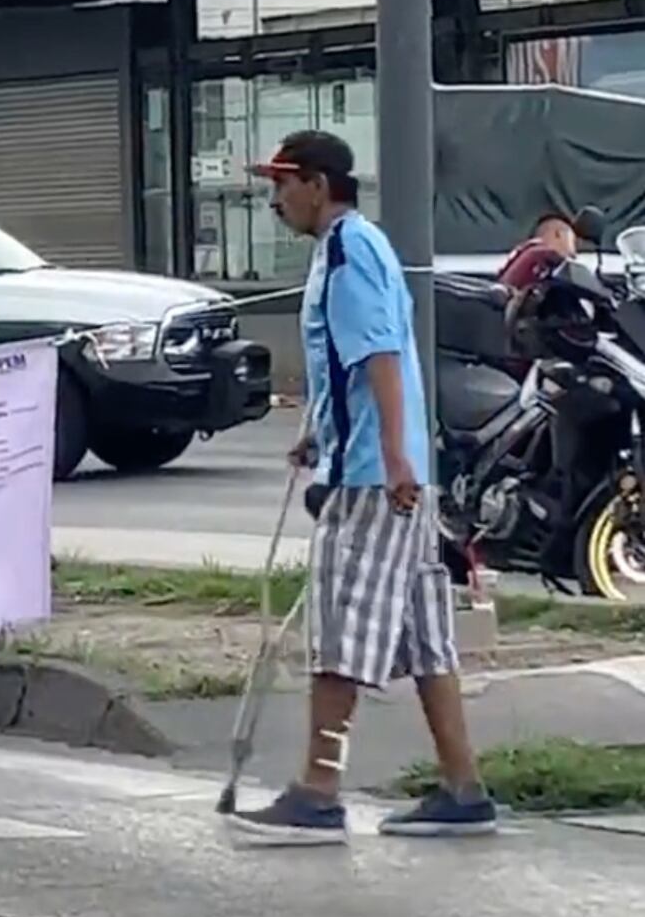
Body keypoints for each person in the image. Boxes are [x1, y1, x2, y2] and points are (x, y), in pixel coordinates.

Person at [229, 130, 496, 844]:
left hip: (375, 481)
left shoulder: (347, 251)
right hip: (389, 469)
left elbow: (378, 354)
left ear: (319, 184)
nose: (275, 199)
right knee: (424, 637)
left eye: (283, 184)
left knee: (341, 633)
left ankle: (319, 788)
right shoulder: (353, 249)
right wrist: (320, 429)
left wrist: (393, 458)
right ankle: (463, 787)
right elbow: (349, 367)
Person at [497, 210, 582, 291]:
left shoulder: (524, 254)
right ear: (558, 234)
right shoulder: (545, 256)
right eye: (573, 242)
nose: (574, 254)